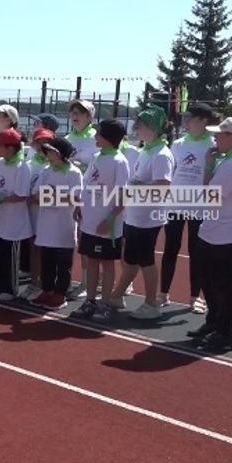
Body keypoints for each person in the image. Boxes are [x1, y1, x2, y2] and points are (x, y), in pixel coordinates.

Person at [191, 117, 232, 351]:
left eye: (220, 134)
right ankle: (214, 323)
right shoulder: (227, 161)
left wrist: (209, 169)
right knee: (208, 280)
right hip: (213, 231)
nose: (215, 137)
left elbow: (209, 197)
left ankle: (227, 334)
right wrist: (209, 165)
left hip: (228, 234)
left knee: (226, 285)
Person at [109, 105, 174, 320]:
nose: (137, 128)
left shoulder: (162, 155)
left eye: (142, 125)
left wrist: (135, 188)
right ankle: (117, 296)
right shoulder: (146, 150)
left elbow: (162, 187)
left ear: (154, 128)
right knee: (130, 260)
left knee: (146, 261)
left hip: (148, 218)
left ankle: (151, 303)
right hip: (134, 215)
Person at [160, 103, 218, 313]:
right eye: (184, 117)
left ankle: (195, 297)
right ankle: (163, 294)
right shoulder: (178, 144)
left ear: (203, 121)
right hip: (176, 203)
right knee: (170, 249)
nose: (185, 121)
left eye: (189, 118)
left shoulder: (213, 145)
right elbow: (172, 171)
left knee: (197, 252)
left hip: (199, 205)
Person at [74, 119, 131, 320]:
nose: (95, 137)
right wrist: (80, 206)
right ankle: (90, 300)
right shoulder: (97, 157)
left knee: (107, 264)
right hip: (89, 222)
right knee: (91, 261)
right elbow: (87, 185)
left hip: (107, 224)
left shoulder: (119, 161)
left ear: (108, 138)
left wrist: (109, 219)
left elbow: (124, 196)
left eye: (98, 134)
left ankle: (105, 303)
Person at [30, 137, 83, 310]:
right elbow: (37, 195)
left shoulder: (74, 173)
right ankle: (47, 290)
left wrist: (53, 194)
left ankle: (60, 294)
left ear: (61, 154)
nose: (48, 155)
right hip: (46, 224)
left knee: (63, 263)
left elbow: (74, 198)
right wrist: (50, 196)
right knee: (48, 261)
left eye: (52, 151)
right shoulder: (46, 171)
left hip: (64, 225)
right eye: (47, 151)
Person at [0, 129, 33, 302]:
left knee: (10, 256)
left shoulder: (23, 167)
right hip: (0, 218)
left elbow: (21, 195)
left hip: (15, 223)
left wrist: (1, 198)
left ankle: (10, 288)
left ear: (10, 148)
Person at [65, 99, 100, 300]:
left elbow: (98, 165)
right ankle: (69, 278)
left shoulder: (95, 138)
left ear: (90, 117)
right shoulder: (68, 138)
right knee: (71, 237)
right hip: (69, 194)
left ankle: (87, 282)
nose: (75, 116)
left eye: (80, 112)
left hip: (89, 196)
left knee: (87, 239)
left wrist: (80, 166)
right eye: (73, 113)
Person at [24, 127, 55, 299]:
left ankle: (47, 283)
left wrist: (38, 198)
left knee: (49, 250)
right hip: (33, 214)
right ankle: (34, 282)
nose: (44, 146)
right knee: (34, 248)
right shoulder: (29, 165)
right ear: (34, 144)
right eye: (40, 142)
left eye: (48, 143)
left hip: (50, 215)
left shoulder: (55, 164)